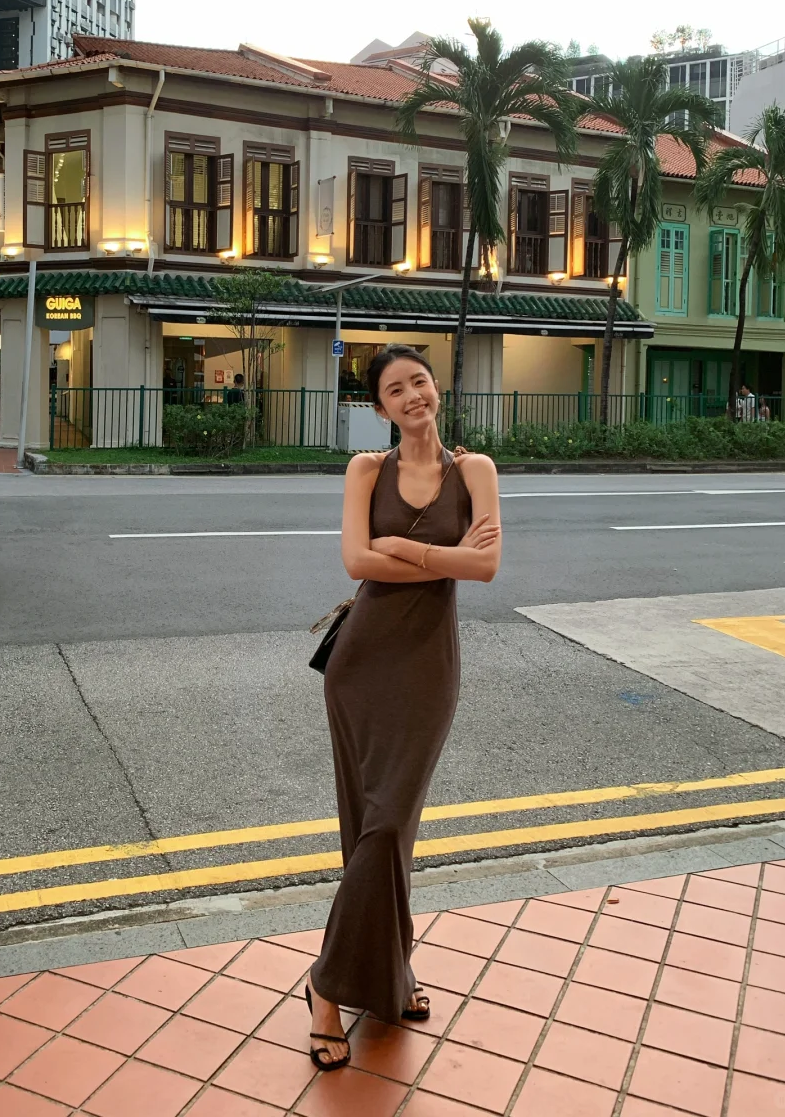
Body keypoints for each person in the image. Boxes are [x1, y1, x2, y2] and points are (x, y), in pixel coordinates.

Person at [304, 344, 501, 1072]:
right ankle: (359, 983)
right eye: (395, 389)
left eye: (420, 381)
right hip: (360, 664)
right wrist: (440, 556)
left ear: (435, 388)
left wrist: (404, 548)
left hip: (428, 666)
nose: (412, 395)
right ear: (380, 406)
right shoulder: (365, 469)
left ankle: (337, 981)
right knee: (372, 828)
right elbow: (358, 562)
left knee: (391, 827)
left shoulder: (475, 471)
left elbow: (486, 566)